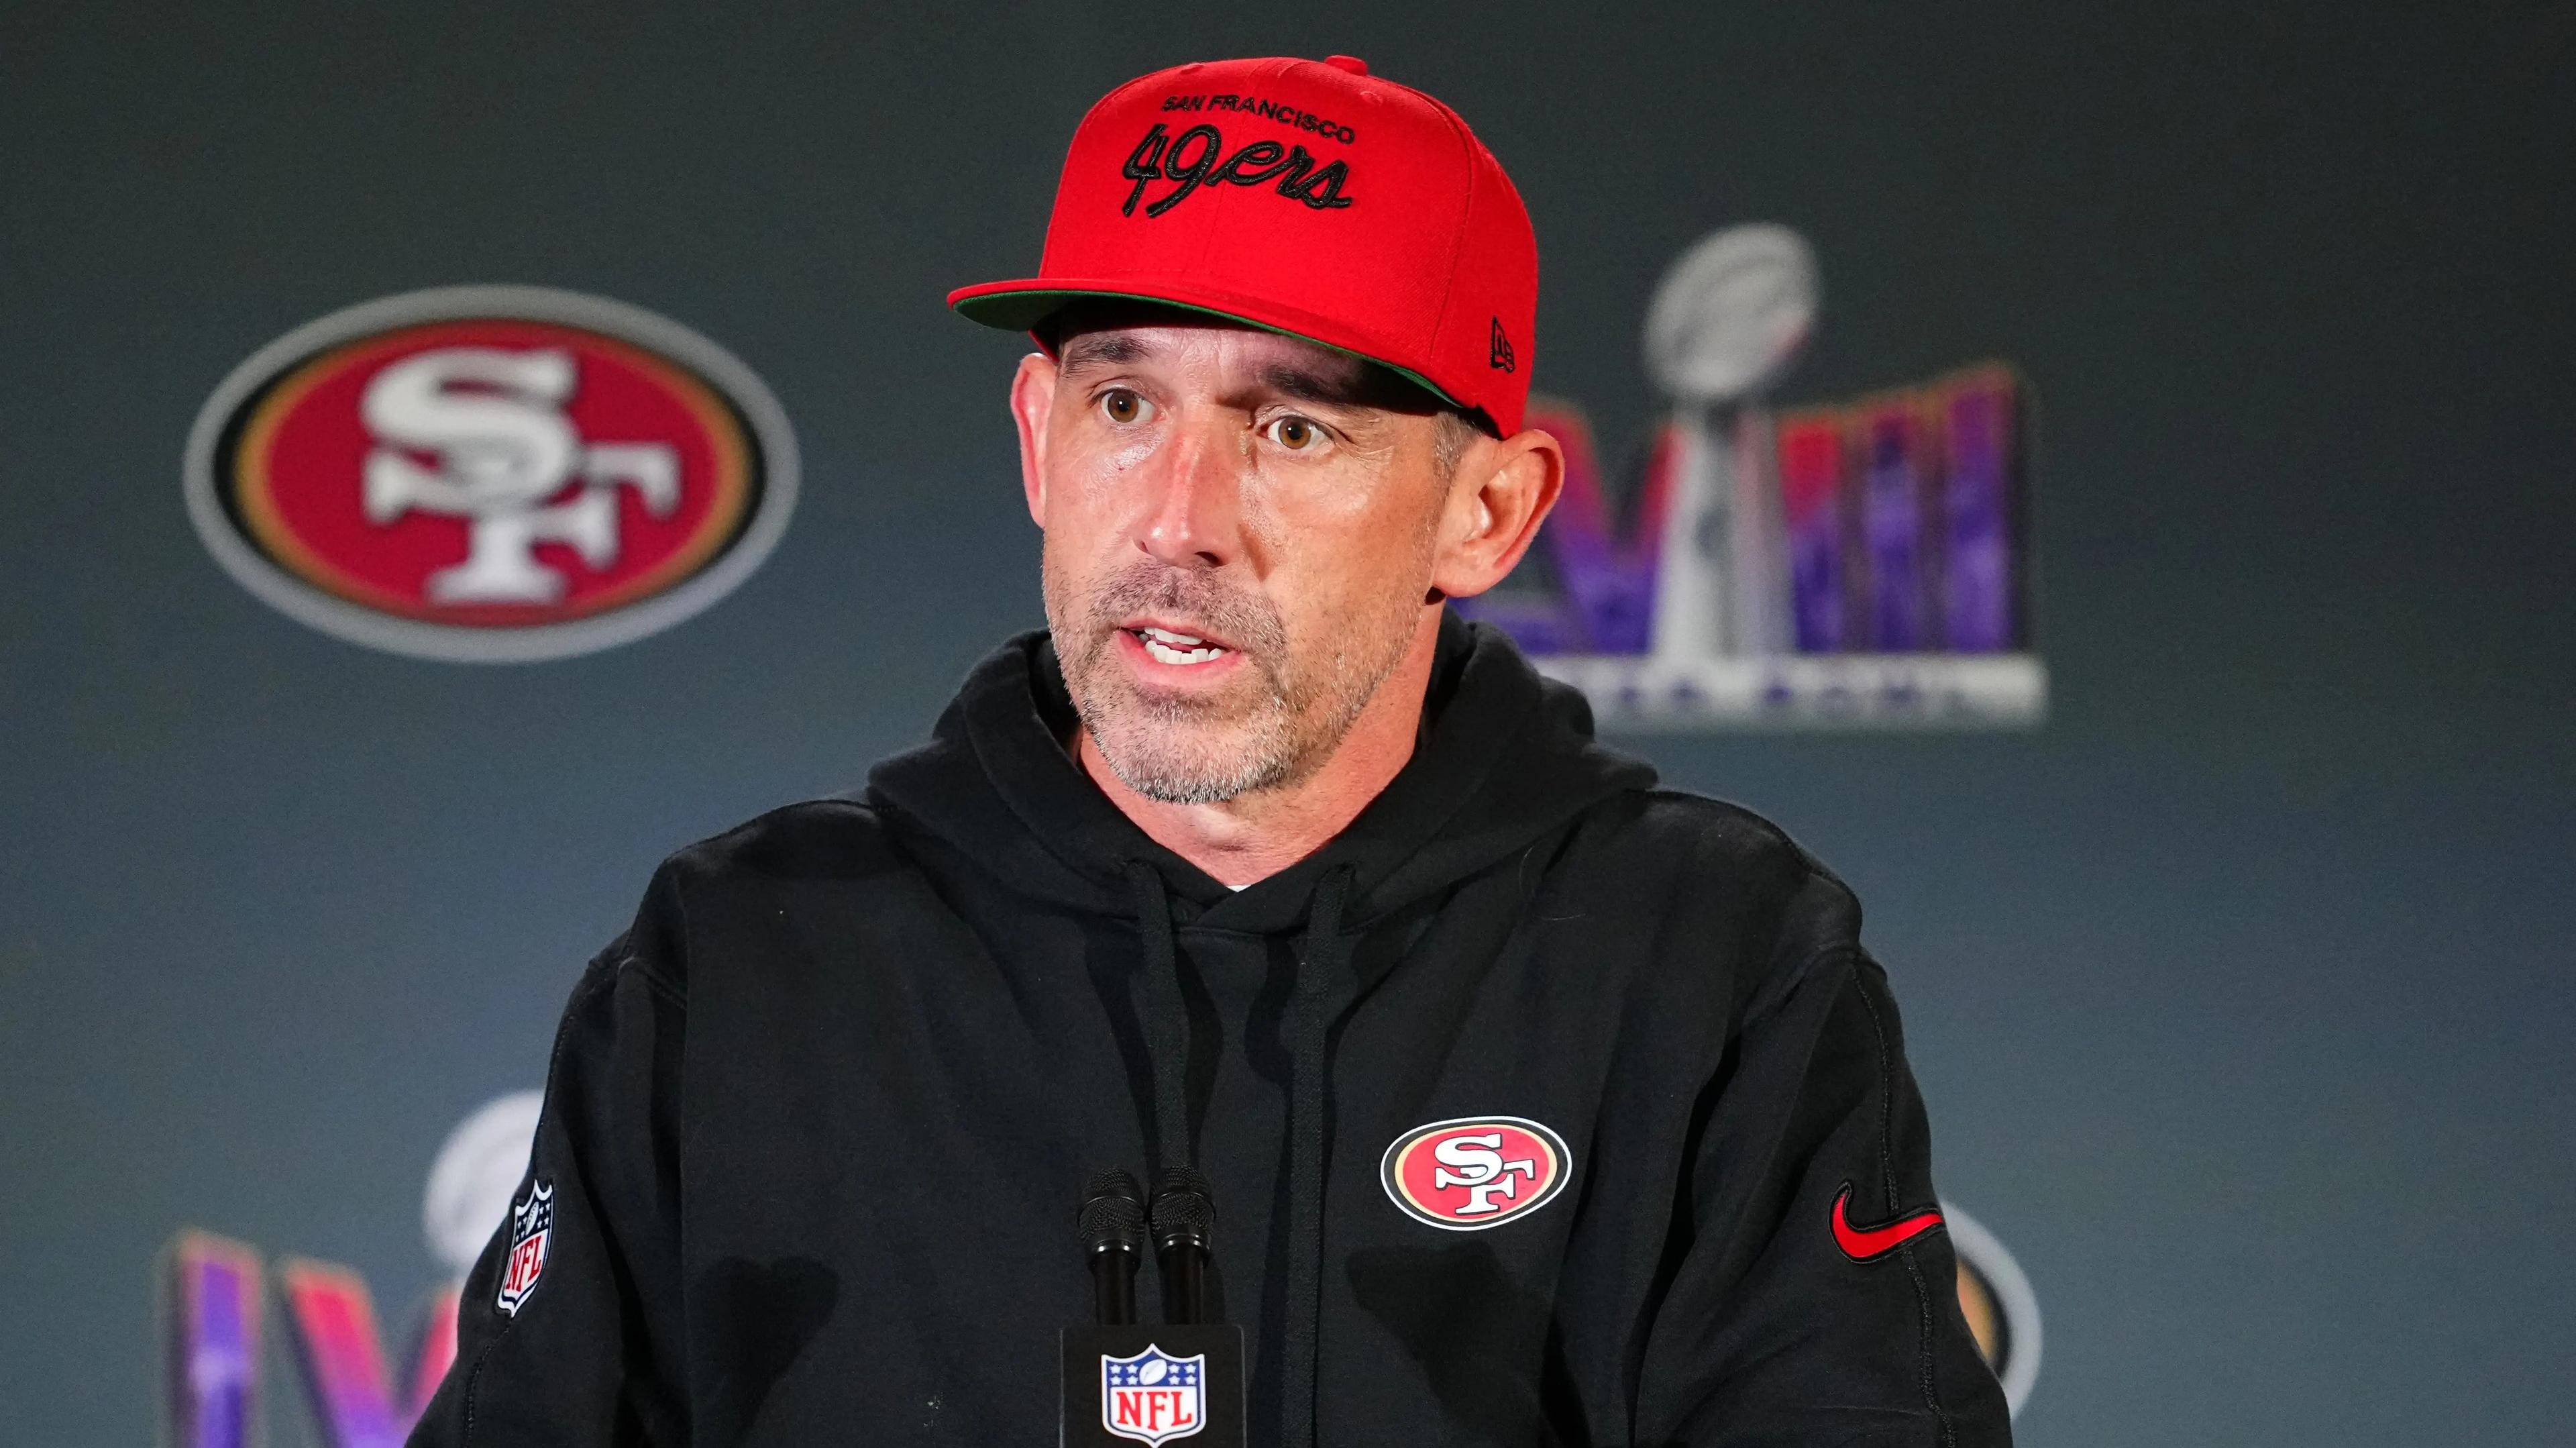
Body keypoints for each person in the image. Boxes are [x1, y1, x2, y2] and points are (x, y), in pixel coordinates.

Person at [410, 53, 2012, 1448]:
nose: (1179, 521)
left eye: (1293, 428)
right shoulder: (743, 965)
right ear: (1037, 437)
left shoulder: (1709, 966)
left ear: (1487, 510)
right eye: (1124, 404)